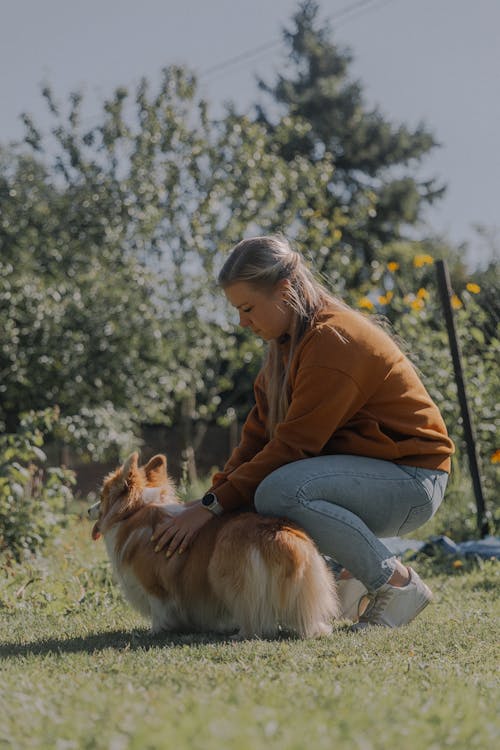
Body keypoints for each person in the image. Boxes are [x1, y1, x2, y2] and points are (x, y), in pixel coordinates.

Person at [151, 235, 454, 628]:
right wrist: (210, 499)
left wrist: (212, 506)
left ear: (284, 290)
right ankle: (346, 580)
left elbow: (294, 447)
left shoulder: (332, 341)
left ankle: (395, 583)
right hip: (373, 477)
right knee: (267, 487)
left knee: (280, 490)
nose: (242, 321)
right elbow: (257, 441)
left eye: (247, 308)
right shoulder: (284, 349)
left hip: (414, 481)